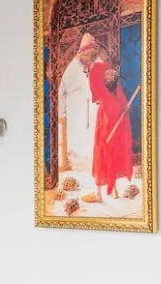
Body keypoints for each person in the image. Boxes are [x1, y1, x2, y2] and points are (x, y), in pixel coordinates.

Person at [84, 56, 134, 201]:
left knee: (101, 155)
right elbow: (122, 105)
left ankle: (99, 193)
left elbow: (95, 96)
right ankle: (114, 191)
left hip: (105, 125)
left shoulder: (104, 99)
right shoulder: (119, 100)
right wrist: (125, 107)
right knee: (112, 154)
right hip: (114, 122)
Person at [57, 33, 99, 172]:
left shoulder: (97, 63)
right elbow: (61, 93)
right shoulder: (71, 69)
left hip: (94, 112)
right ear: (82, 53)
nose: (88, 63)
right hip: (75, 114)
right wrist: (62, 114)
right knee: (77, 144)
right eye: (87, 59)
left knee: (93, 140)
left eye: (91, 59)